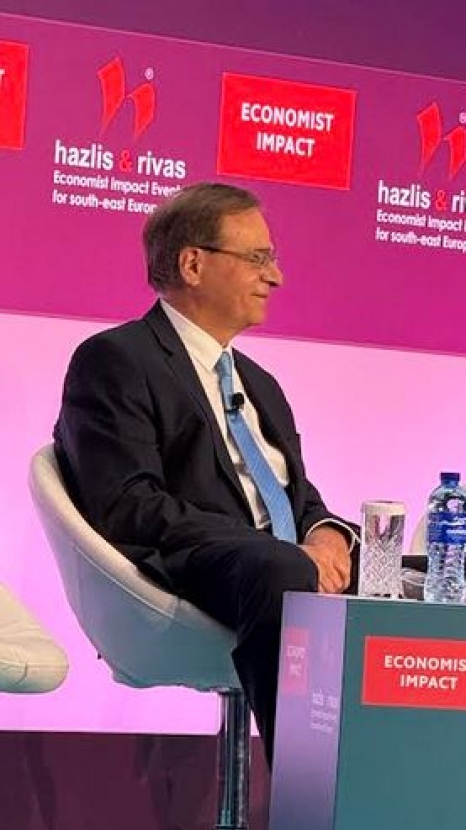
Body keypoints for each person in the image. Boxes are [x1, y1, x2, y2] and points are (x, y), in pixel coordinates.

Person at [54, 182, 356, 765]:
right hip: (186, 567)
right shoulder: (116, 360)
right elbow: (130, 504)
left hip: (273, 559)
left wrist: (327, 535)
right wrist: (283, 550)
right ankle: (311, 786)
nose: (276, 277)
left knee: (414, 572)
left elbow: (297, 496)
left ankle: (400, 779)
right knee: (284, 566)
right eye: (258, 257)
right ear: (193, 264)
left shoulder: (258, 382)